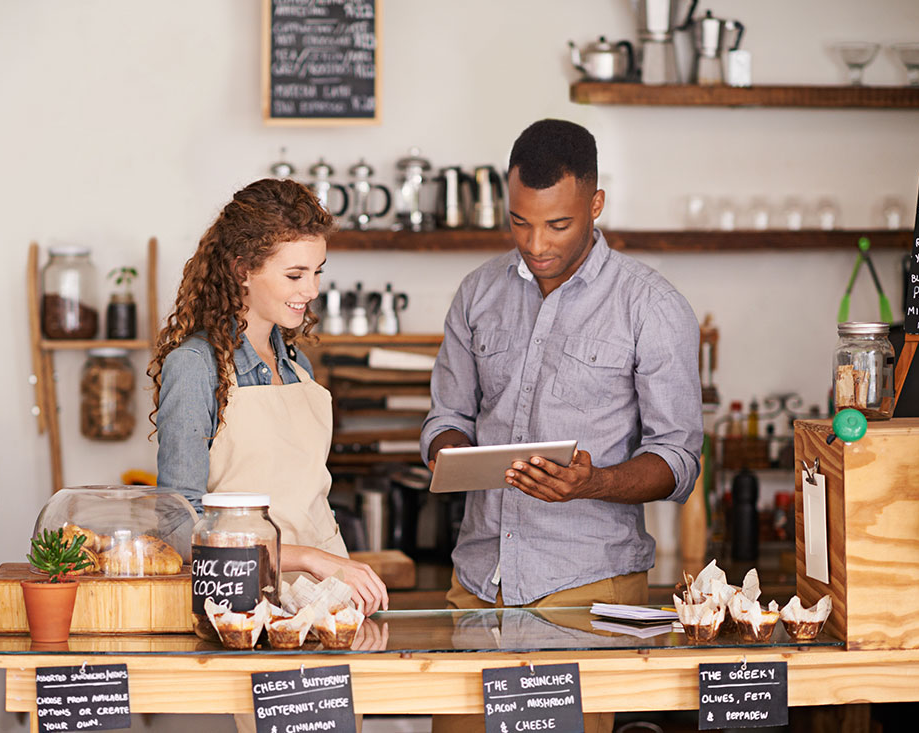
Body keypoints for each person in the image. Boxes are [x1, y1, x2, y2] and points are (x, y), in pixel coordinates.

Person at [423, 119, 703, 733]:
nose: (535, 242)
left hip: (587, 588)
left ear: (595, 204)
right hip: (478, 582)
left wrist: (593, 482)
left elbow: (678, 459)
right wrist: (454, 454)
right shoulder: (477, 294)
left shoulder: (651, 306)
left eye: (558, 224)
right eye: (519, 221)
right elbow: (446, 417)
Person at [149, 177, 388, 616]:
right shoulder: (196, 366)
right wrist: (310, 558)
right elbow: (179, 527)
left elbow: (307, 500)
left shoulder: (299, 370)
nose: (311, 290)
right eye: (295, 275)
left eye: (317, 272)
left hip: (324, 601)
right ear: (243, 270)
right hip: (240, 606)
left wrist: (338, 572)